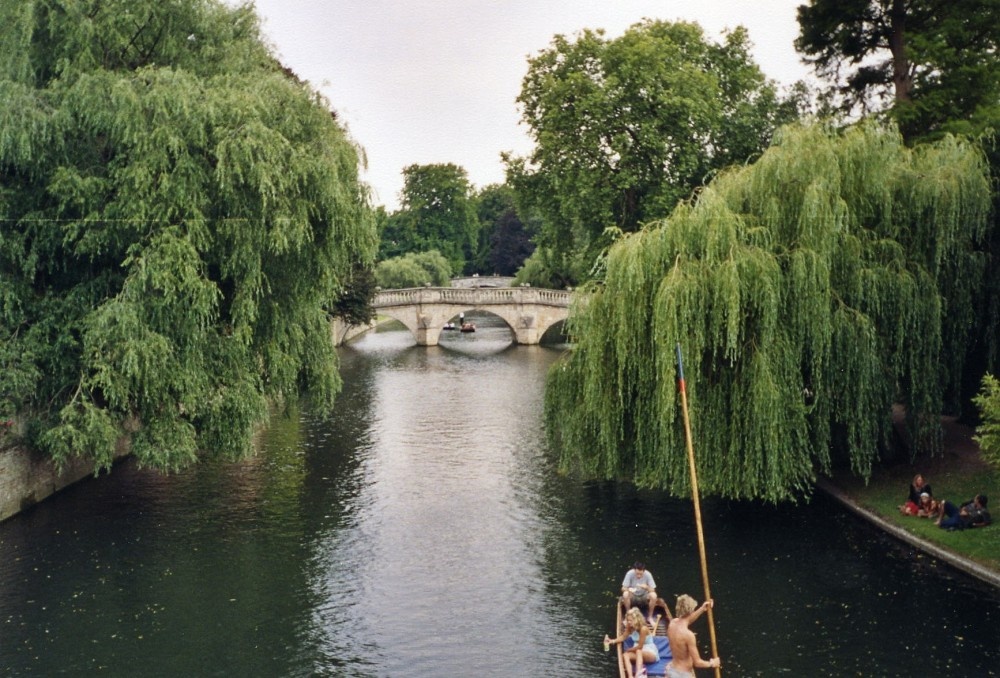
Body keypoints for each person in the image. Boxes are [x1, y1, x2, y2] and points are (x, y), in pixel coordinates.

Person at [665, 594, 720, 678]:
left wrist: (702, 609)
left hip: (672, 670)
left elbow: (687, 620)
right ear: (690, 611)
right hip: (683, 675)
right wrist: (712, 663)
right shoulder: (688, 635)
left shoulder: (672, 623)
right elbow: (697, 663)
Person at [604, 607, 659, 678]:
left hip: (649, 652)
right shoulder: (629, 626)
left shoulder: (643, 629)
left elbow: (640, 647)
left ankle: (638, 675)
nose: (629, 622)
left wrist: (629, 650)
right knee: (625, 655)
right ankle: (630, 676)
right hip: (637, 651)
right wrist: (612, 641)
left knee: (638, 651)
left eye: (631, 620)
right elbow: (623, 637)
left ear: (636, 620)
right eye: (628, 620)